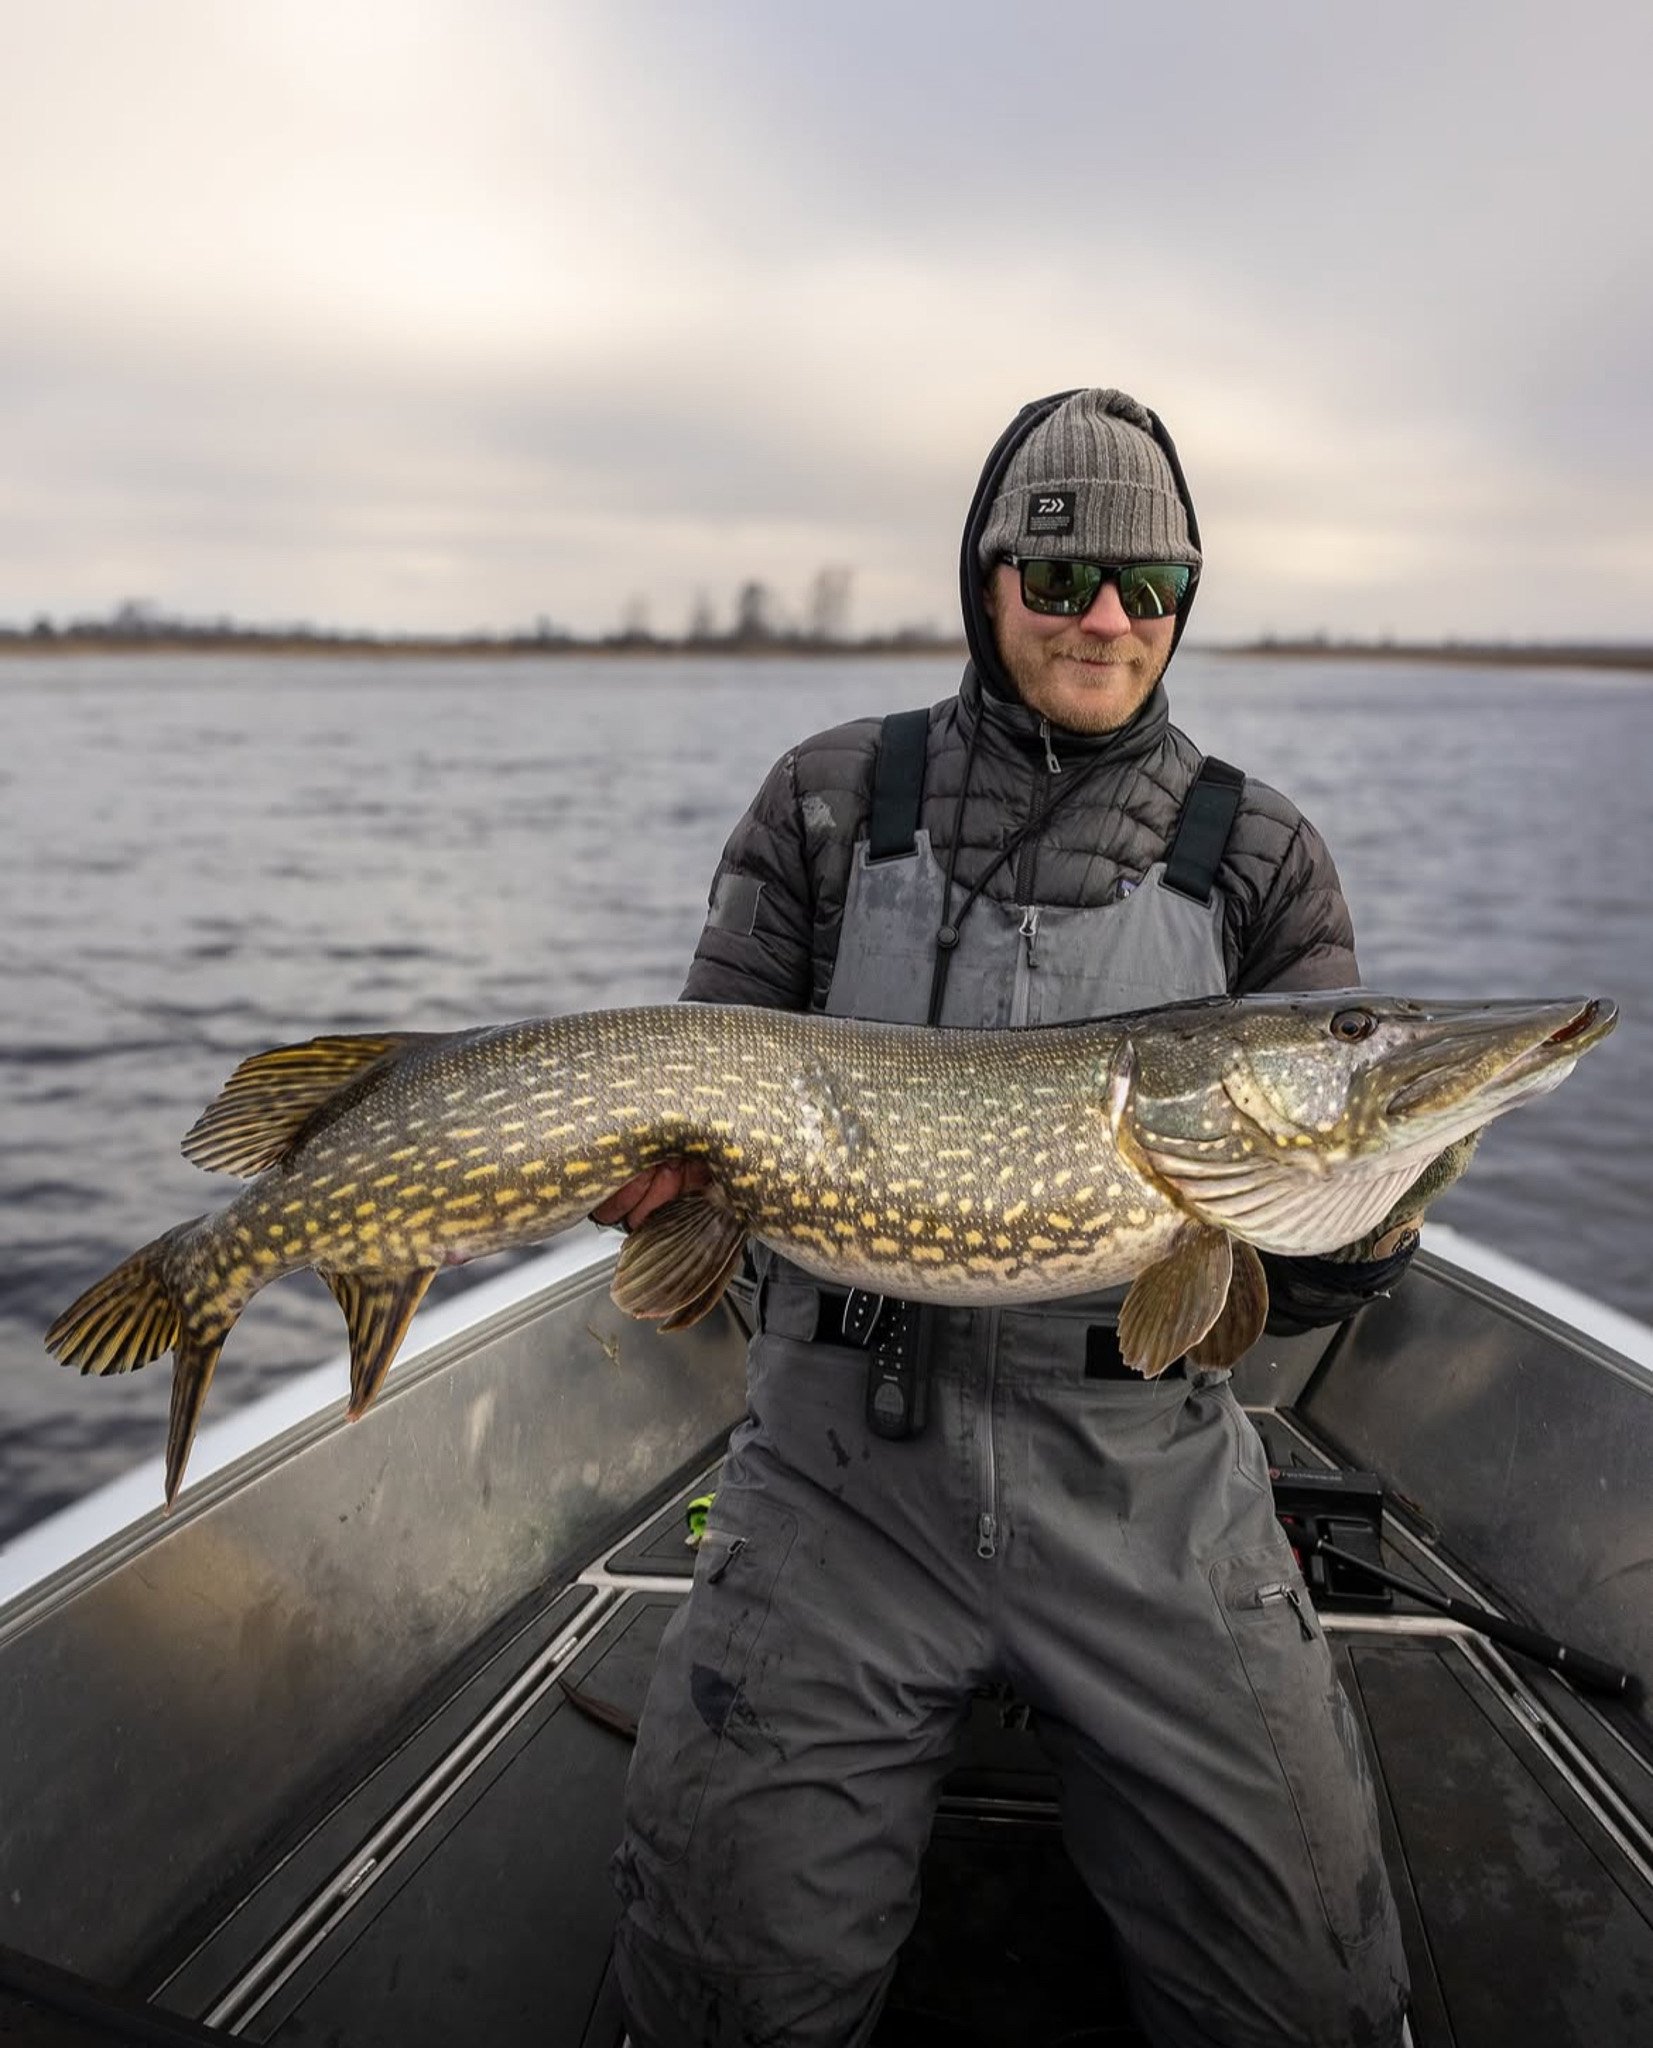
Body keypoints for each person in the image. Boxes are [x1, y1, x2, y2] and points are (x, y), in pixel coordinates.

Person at [599, 389, 1447, 2047]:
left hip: (1148, 1490)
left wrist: (1367, 1216)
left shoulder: (1259, 851)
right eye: (1059, 583)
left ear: (1188, 592)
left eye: (1150, 582)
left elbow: (1310, 1263)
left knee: (1307, 2005)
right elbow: (683, 1123)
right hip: (835, 1483)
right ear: (986, 585)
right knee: (722, 2006)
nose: (1109, 621)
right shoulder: (833, 798)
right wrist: (648, 1193)